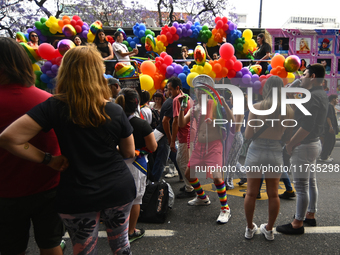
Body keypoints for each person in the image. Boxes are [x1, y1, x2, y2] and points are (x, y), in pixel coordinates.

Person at [0, 45, 137, 253]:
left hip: (77, 192)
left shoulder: (53, 106)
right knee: (121, 246)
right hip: (117, 187)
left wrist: (48, 159)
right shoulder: (114, 110)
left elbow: (10, 138)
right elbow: (128, 152)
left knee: (84, 249)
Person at [0, 37, 64, 255]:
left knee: (11, 248)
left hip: (5, 192)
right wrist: (48, 160)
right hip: (47, 186)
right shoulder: (47, 100)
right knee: (50, 242)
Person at [276, 64, 328, 235]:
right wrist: (298, 83)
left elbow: (306, 125)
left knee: (300, 186)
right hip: (312, 144)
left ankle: (297, 222)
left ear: (313, 77)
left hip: (303, 145)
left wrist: (290, 143)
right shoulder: (319, 94)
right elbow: (288, 93)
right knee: (310, 182)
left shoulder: (312, 97)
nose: (301, 77)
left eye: (304, 74)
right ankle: (310, 214)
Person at [178, 75, 235, 223]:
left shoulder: (215, 105)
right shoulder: (195, 107)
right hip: (199, 146)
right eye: (198, 90)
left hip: (214, 145)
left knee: (217, 177)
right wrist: (181, 109)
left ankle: (225, 209)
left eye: (203, 90)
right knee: (189, 175)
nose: (200, 93)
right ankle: (202, 197)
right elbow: (182, 123)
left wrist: (225, 105)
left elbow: (233, 121)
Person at [243, 76, 294, 241]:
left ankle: (250, 228)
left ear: (266, 89)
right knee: (273, 194)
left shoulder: (256, 107)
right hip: (275, 152)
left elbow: (248, 135)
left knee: (251, 193)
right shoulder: (289, 110)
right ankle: (269, 229)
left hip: (255, 150)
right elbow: (287, 138)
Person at [115, 88, 157, 242]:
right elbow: (153, 147)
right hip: (135, 166)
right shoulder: (140, 124)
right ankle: (131, 231)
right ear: (137, 103)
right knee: (135, 200)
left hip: (114, 165)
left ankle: (116, 228)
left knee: (118, 199)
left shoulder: (111, 120)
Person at [168, 77, 196, 198]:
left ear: (177, 88)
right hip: (191, 134)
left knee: (182, 162)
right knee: (185, 161)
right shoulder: (188, 98)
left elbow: (175, 122)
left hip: (185, 135)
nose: (169, 92)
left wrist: (172, 141)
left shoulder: (176, 100)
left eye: (170, 89)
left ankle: (190, 188)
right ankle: (189, 185)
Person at [319, 94, 339, 162]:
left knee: (331, 141)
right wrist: (331, 127)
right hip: (329, 127)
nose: (337, 101)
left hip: (331, 127)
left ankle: (326, 155)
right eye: (336, 99)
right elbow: (328, 117)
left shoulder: (331, 106)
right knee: (329, 142)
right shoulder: (330, 106)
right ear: (333, 99)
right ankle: (324, 157)